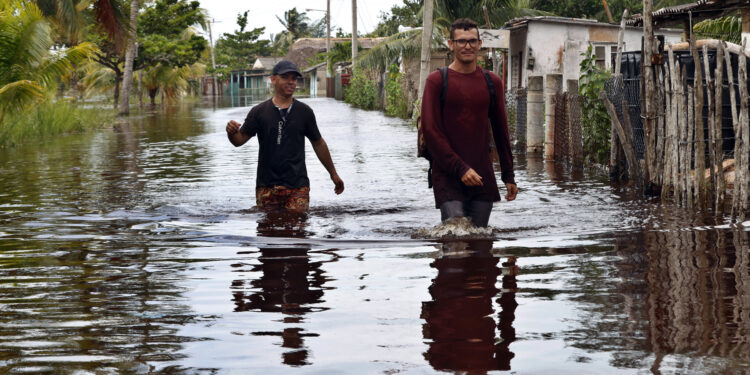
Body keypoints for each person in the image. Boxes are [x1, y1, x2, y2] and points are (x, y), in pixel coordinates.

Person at [421, 18, 518, 227]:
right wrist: (460, 168)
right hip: (448, 175)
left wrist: (508, 175)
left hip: (482, 175)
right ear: (451, 44)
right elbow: (430, 131)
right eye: (462, 41)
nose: (467, 46)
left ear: (480, 44)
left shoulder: (492, 82)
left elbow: (502, 131)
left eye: (472, 41)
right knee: (456, 241)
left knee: (481, 246)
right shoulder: (437, 81)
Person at [226, 60, 344, 212]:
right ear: (273, 80)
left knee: (298, 229)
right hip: (267, 186)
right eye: (285, 77)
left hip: (297, 186)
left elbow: (318, 143)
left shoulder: (304, 112)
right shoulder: (259, 112)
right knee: (268, 231)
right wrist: (231, 133)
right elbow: (238, 141)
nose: (291, 82)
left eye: (294, 78)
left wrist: (333, 174)